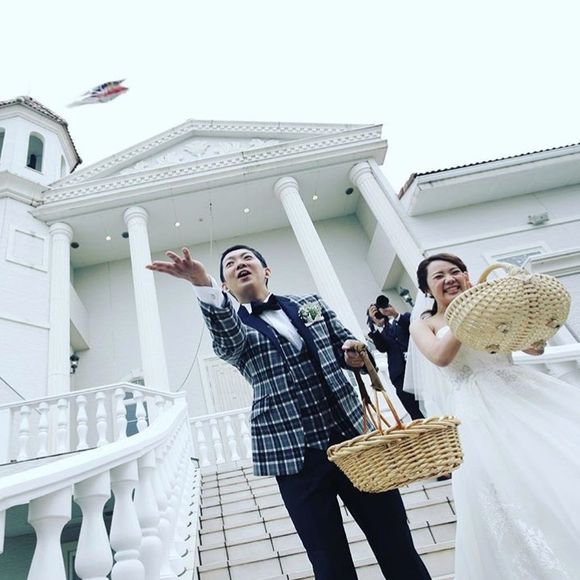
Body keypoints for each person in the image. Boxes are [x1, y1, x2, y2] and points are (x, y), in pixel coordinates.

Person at [147, 245, 431, 580]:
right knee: (330, 564)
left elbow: (352, 345)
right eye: (230, 264)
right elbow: (227, 337)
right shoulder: (233, 329)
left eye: (247, 258)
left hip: (354, 440)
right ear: (224, 286)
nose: (239, 264)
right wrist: (201, 283)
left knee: (397, 545)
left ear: (266, 271)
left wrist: (354, 354)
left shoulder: (310, 304)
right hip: (296, 458)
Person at [408, 252, 580, 579]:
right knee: (507, 484)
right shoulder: (424, 324)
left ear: (467, 275)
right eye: (439, 276)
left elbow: (533, 349)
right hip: (477, 410)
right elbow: (440, 357)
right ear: (427, 289)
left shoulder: (488, 308)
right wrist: (466, 312)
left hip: (523, 394)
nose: (450, 279)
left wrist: (520, 317)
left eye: (456, 271)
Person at [367, 295, 424, 420]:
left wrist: (395, 314)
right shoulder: (382, 334)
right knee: (415, 414)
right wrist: (374, 325)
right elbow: (381, 348)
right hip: (399, 376)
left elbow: (411, 326)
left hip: (418, 369)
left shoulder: (404, 318)